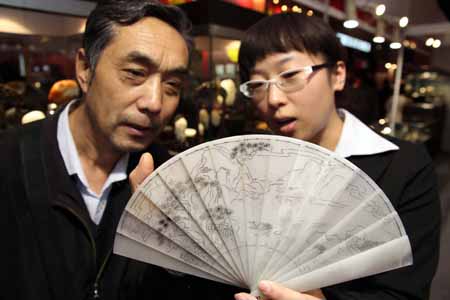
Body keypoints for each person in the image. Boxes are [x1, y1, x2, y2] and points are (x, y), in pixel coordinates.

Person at [0, 1, 239, 299]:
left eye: (172, 85)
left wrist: (173, 250)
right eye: (135, 73)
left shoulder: (174, 180)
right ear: (85, 69)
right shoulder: (9, 161)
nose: (154, 102)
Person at [234, 12, 441, 300]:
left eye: (290, 76)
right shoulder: (247, 168)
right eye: (258, 85)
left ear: (338, 75)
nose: (273, 99)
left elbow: (407, 293)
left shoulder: (405, 167)